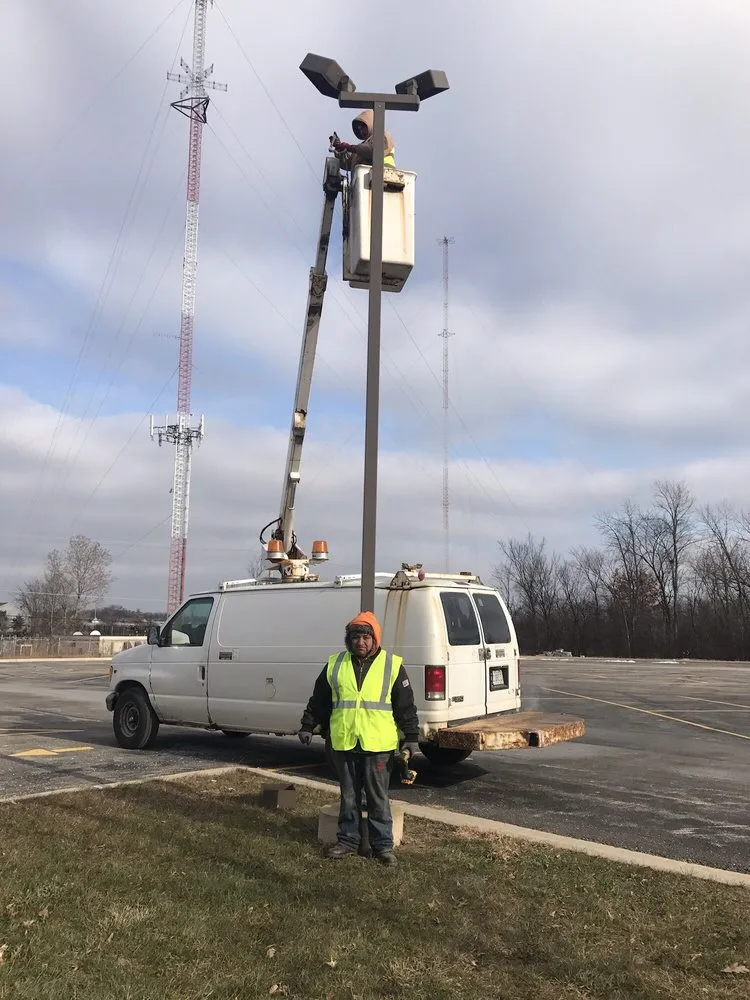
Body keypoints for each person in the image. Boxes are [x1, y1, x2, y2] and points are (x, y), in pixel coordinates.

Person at [298, 611, 419, 866]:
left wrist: (411, 736)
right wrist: (308, 724)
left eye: (365, 637)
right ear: (348, 640)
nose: (360, 642)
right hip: (344, 742)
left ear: (375, 639)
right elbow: (319, 699)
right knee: (349, 796)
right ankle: (347, 841)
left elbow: (405, 706)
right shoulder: (335, 664)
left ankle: (383, 847)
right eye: (355, 637)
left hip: (378, 745)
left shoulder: (392, 665)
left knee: (378, 798)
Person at [331, 110, 396, 170]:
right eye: (359, 129)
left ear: (371, 123)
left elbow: (374, 151)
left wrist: (350, 147)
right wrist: (339, 147)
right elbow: (347, 164)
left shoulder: (382, 136)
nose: (361, 131)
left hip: (383, 176)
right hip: (366, 179)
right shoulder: (361, 148)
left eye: (363, 127)